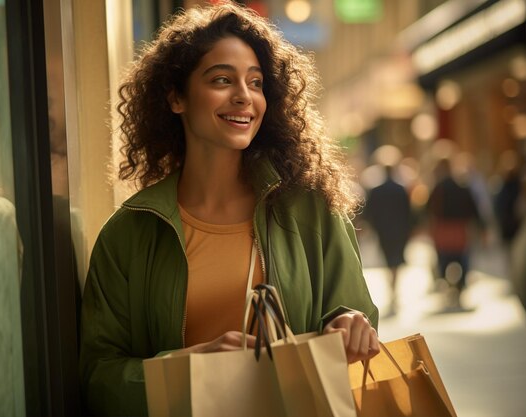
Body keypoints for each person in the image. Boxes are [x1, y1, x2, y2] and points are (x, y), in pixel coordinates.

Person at [79, 3, 379, 416]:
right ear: (176, 97)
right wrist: (190, 366)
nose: (244, 96)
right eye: (222, 79)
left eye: (255, 83)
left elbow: (354, 312)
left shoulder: (311, 208)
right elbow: (100, 379)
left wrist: (350, 322)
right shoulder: (130, 233)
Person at [426, 154, 486, 307]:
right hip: (460, 228)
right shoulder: (462, 186)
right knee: (462, 258)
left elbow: (427, 209)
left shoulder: (437, 187)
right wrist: (482, 227)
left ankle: (448, 284)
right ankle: (459, 287)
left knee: (444, 259)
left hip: (443, 229)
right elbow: (473, 208)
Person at [363, 145, 412, 314]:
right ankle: (394, 289)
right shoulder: (400, 189)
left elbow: (370, 212)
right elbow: (408, 212)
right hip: (399, 230)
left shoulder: (376, 190)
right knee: (396, 260)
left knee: (387, 259)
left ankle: (392, 289)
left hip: (383, 230)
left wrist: (370, 227)